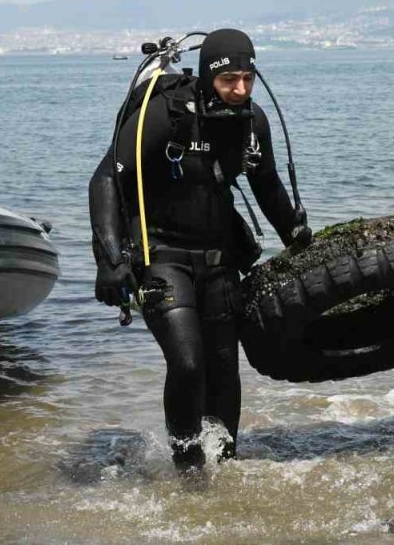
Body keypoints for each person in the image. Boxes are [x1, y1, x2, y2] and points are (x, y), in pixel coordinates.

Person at [88, 29, 312, 471]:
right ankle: (188, 468)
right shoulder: (165, 114)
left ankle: (226, 464)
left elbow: (268, 186)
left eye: (247, 79)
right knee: (189, 365)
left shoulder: (251, 122)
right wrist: (110, 260)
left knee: (224, 372)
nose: (240, 89)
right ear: (209, 76)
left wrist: (297, 240)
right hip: (162, 257)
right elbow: (106, 180)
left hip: (219, 260)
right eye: (229, 80)